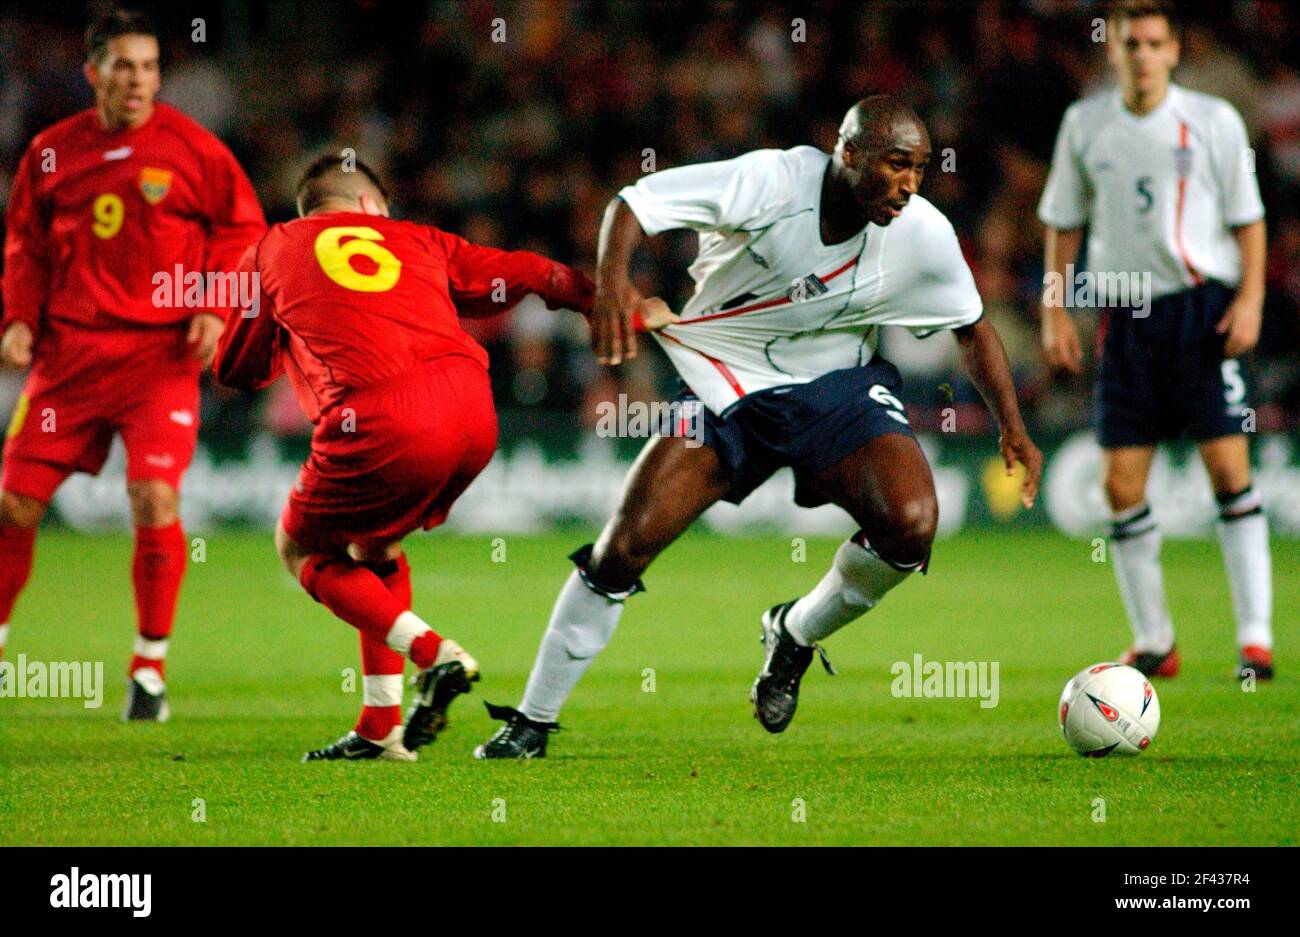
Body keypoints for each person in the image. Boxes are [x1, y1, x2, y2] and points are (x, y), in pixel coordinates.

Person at [474, 95, 1043, 759]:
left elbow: (972, 328)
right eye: (895, 165)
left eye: (918, 168)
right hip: (728, 383)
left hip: (838, 391)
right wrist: (611, 282)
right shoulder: (770, 182)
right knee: (623, 547)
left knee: (911, 525)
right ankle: (532, 722)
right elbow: (631, 204)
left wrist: (1014, 427)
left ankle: (795, 633)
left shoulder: (922, 232)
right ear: (848, 153)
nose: (910, 184)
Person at [213, 155, 594, 761]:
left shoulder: (273, 247)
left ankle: (436, 654)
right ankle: (380, 729)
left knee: (302, 548)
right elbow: (524, 272)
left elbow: (234, 368)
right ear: (370, 207)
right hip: (474, 410)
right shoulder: (419, 238)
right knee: (376, 546)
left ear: (311, 210)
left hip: (380, 420)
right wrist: (594, 300)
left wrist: (281, 328)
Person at [0, 10, 266, 719]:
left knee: (154, 499)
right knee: (14, 504)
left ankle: (148, 668)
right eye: (124, 66)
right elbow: (23, 242)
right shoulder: (51, 153)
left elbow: (243, 230)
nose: (139, 80)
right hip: (69, 357)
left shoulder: (194, 148)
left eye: (150, 67)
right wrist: (20, 318)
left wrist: (214, 301)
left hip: (158, 358)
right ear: (93, 73)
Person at [1039, 0, 1271, 679]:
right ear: (1111, 52)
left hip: (1203, 313)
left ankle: (1255, 638)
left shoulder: (1213, 122)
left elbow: (1248, 218)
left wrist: (1252, 298)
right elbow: (1062, 221)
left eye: (1152, 43)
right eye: (1128, 43)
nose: (1140, 54)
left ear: (1174, 51)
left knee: (1229, 469)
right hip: (1125, 318)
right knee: (1120, 483)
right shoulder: (1085, 124)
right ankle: (1155, 640)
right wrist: (1056, 309)